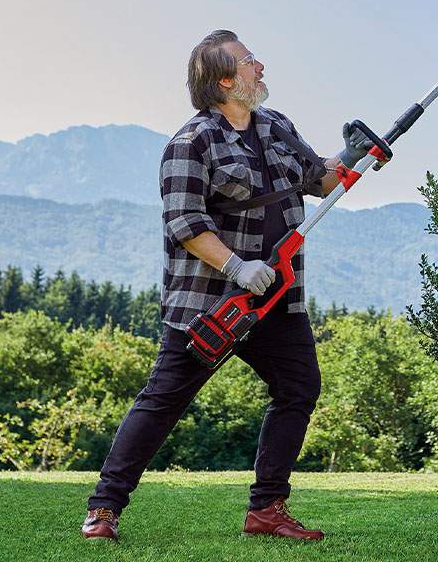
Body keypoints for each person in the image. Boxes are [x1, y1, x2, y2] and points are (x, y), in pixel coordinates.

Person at [81, 29, 372, 542]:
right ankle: (105, 508)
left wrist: (351, 155)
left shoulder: (278, 127)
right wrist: (238, 267)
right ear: (223, 81)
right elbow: (184, 224)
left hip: (278, 298)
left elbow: (318, 180)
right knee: (162, 401)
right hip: (211, 304)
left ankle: (267, 509)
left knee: (298, 388)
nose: (260, 66)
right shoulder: (190, 143)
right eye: (249, 61)